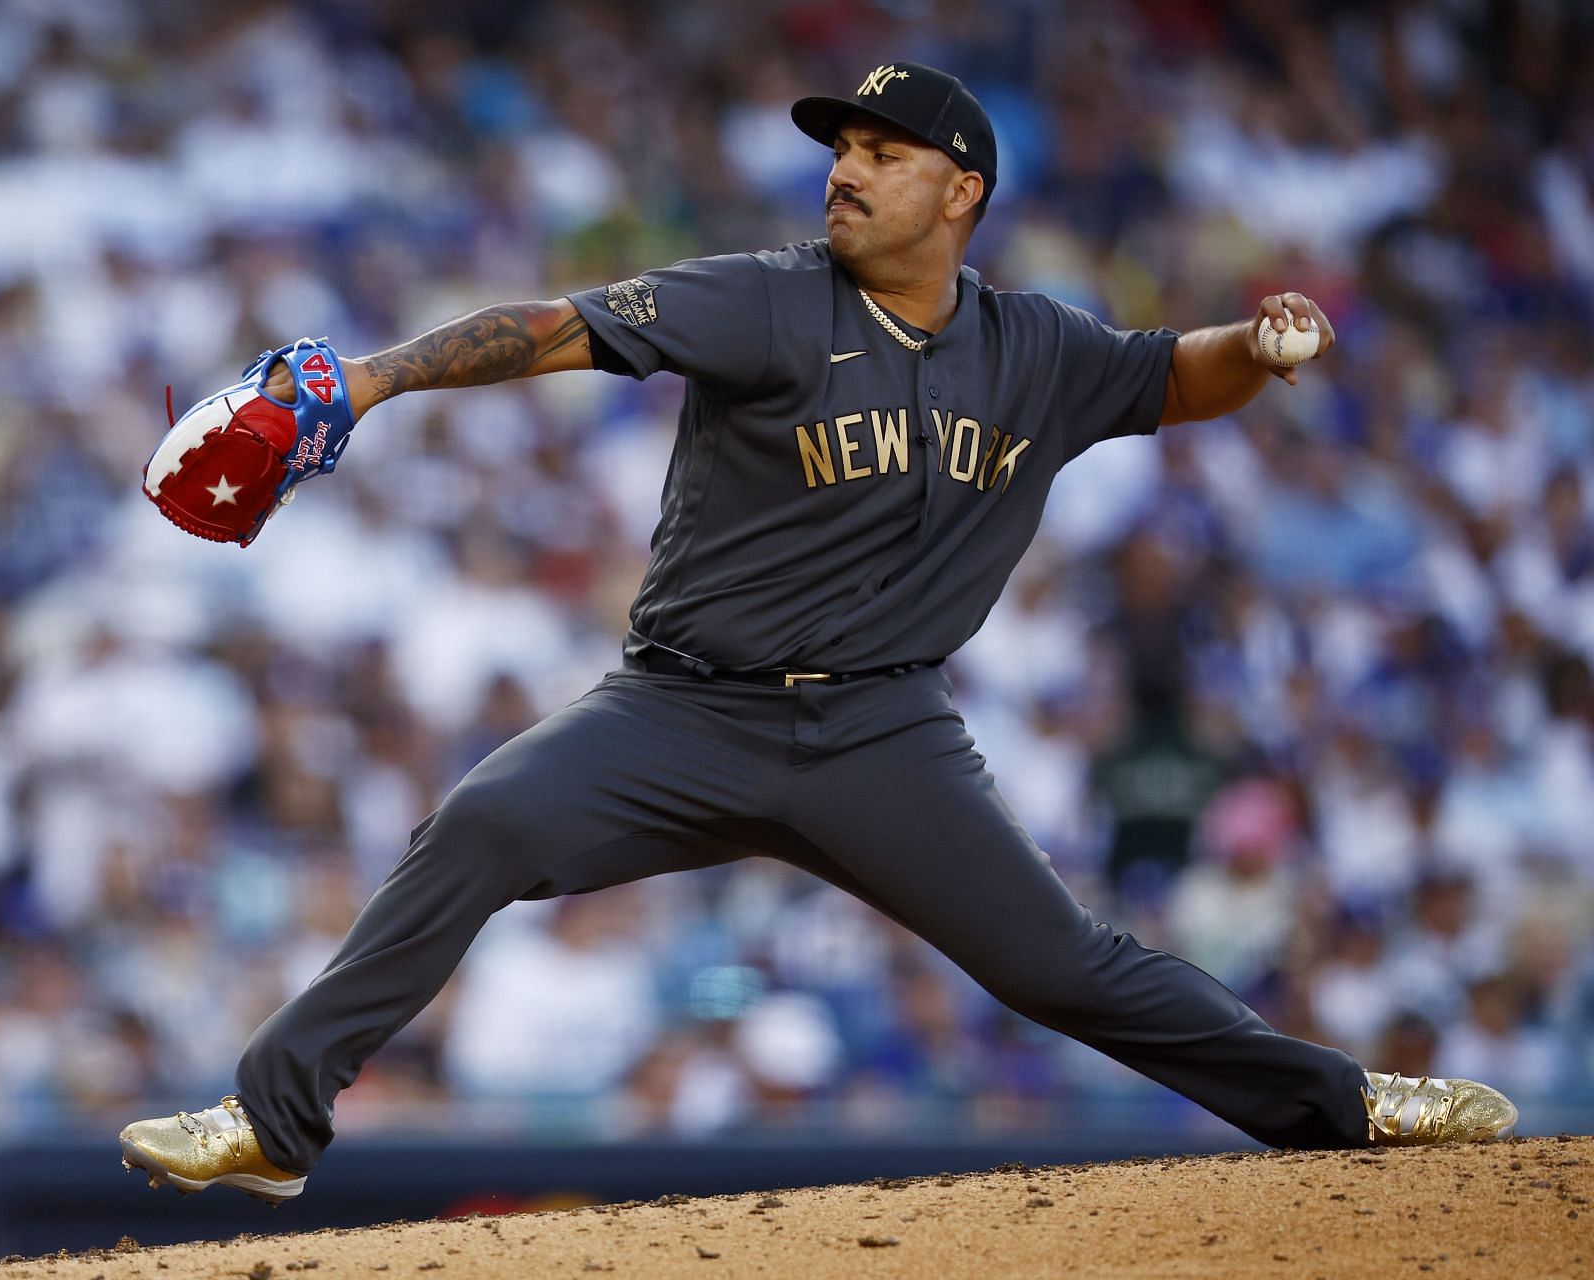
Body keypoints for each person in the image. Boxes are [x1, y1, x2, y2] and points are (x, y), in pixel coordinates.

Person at [119, 62, 1515, 1205]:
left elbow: (1167, 377)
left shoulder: (1035, 345)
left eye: (884, 151)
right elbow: (555, 328)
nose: (845, 168)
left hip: (881, 732)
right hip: (678, 713)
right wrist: (365, 381)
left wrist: (1257, 355)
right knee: (481, 825)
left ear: (961, 190)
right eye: (841, 144)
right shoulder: (769, 295)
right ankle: (274, 1122)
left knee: (1061, 967)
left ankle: (1346, 1106)